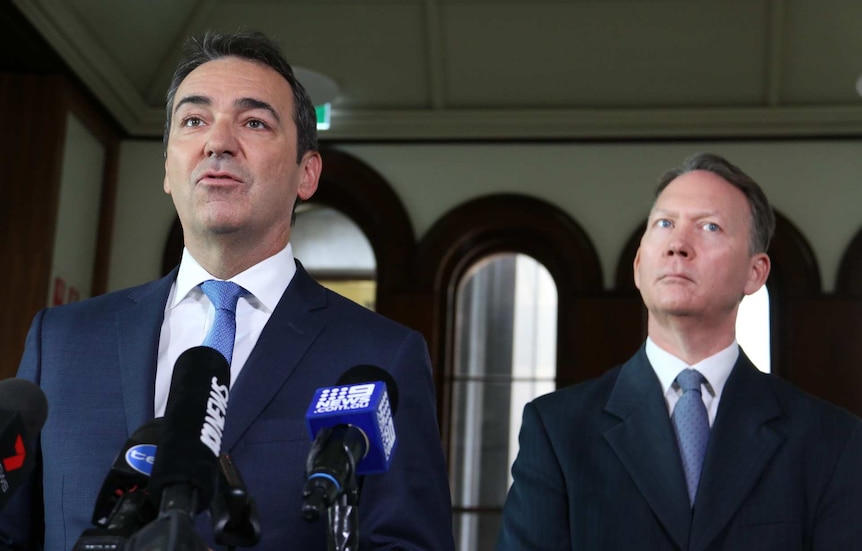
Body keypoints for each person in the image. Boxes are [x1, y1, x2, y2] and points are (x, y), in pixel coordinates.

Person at [0, 30, 455, 551]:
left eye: (254, 122)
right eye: (194, 121)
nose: (217, 142)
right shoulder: (60, 341)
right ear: (168, 167)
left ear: (307, 173)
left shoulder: (380, 356)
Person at [496, 153, 862, 550]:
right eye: (665, 224)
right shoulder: (557, 429)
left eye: (710, 227)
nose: (678, 245)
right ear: (638, 265)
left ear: (755, 273)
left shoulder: (831, 440)